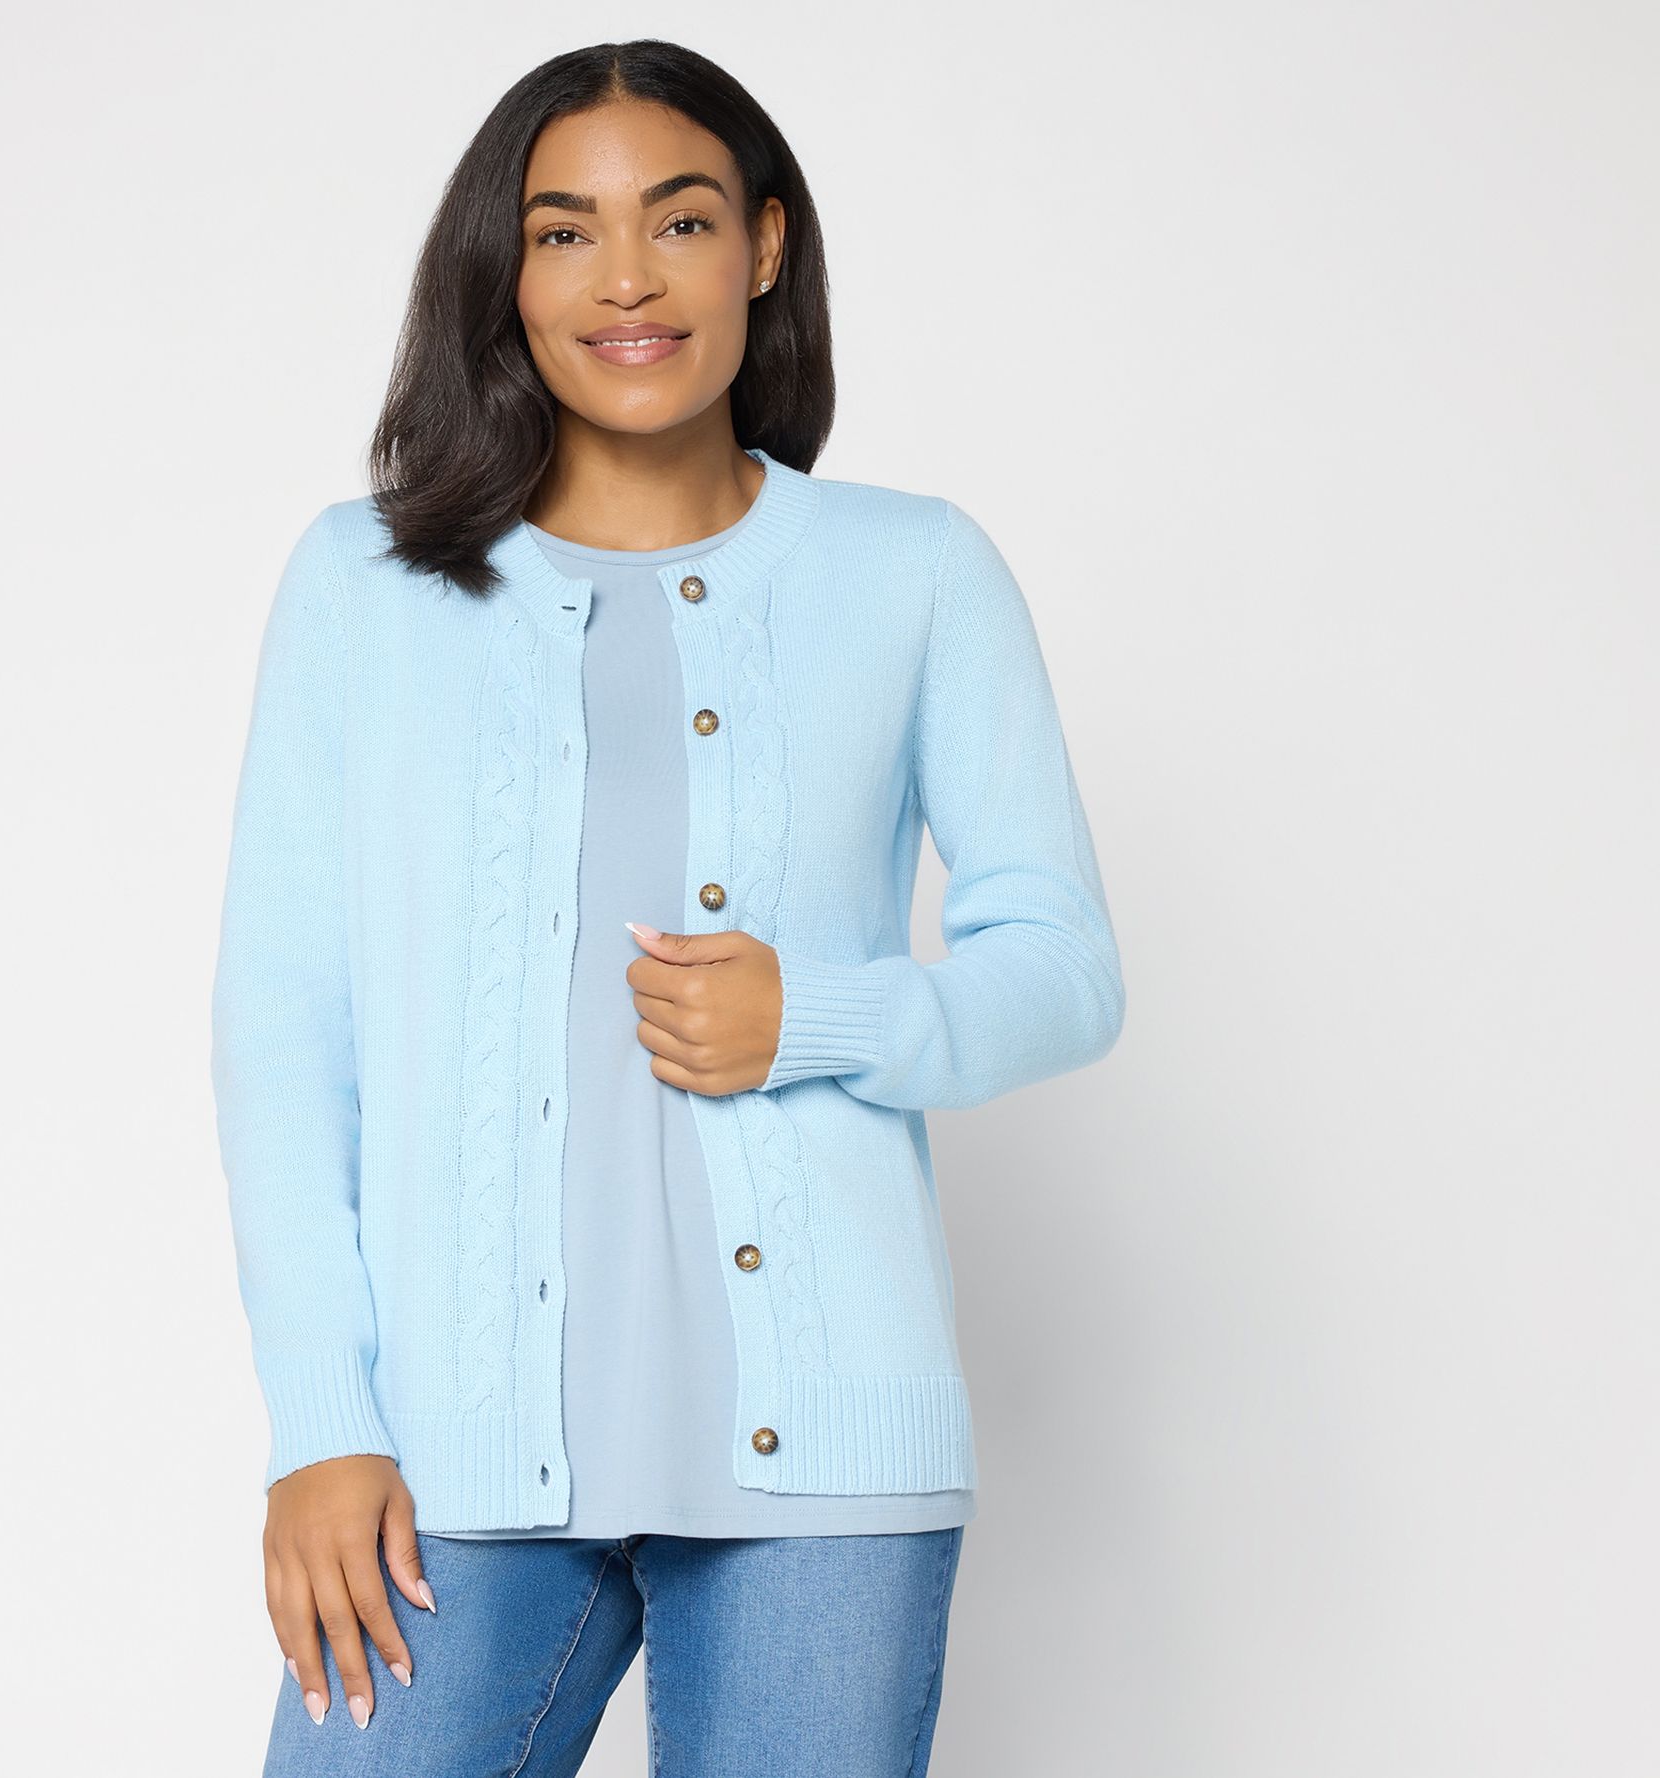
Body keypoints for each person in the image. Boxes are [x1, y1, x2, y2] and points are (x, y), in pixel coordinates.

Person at [210, 38, 1125, 1778]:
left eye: (681, 221)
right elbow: (283, 1028)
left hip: (826, 1466)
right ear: (506, 273)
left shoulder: (913, 569)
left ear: (764, 246)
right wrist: (322, 1421)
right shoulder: (364, 586)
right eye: (565, 232)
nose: (624, 279)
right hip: (452, 1457)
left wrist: (818, 1015)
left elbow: (1065, 965)